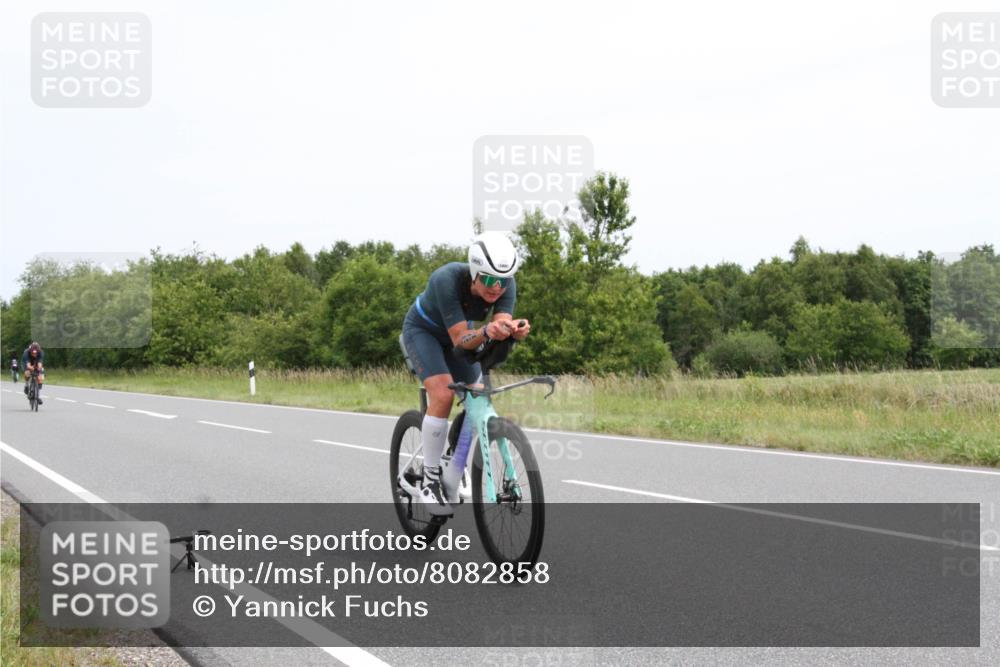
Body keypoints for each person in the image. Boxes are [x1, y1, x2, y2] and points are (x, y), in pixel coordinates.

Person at [401, 231, 531, 516]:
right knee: (443, 394)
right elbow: (461, 338)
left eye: (503, 281)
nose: (496, 288)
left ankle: (451, 458)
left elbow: (500, 322)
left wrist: (511, 330)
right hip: (424, 333)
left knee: (479, 396)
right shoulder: (446, 279)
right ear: (474, 272)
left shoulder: (505, 284)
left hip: (463, 335)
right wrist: (486, 331)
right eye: (488, 279)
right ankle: (431, 479)